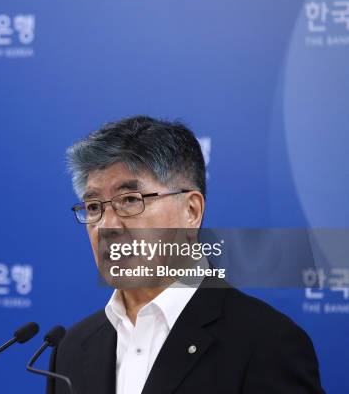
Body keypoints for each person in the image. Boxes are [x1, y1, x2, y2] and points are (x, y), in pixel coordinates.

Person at [47, 116, 324, 394]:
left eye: (130, 200)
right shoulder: (71, 349)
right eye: (94, 206)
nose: (106, 226)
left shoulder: (266, 343)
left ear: (191, 211)